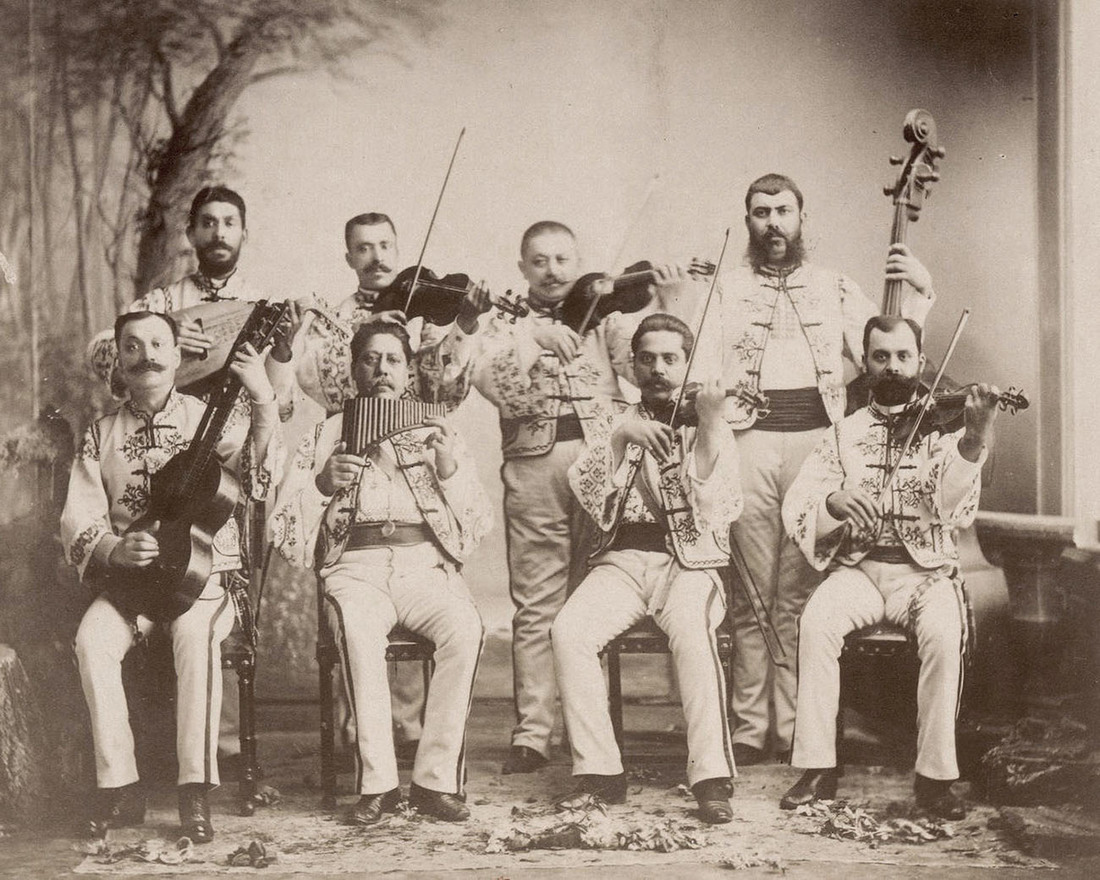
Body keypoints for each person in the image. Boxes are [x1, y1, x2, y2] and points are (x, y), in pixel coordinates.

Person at [697, 173, 936, 765]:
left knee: (801, 586)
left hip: (818, 443)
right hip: (747, 442)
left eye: (783, 211)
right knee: (752, 587)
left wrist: (920, 292)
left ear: (802, 218)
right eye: (760, 213)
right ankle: (751, 726)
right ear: (748, 221)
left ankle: (797, 726)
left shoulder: (834, 288)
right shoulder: (725, 289)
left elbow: (890, 346)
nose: (773, 223)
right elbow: (701, 369)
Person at [471, 220, 691, 774]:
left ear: (578, 262)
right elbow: (493, 386)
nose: (553, 272)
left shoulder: (608, 315)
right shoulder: (502, 322)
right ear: (522, 267)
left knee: (590, 598)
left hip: (604, 463)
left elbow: (647, 377)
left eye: (563, 260)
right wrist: (531, 339)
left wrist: (662, 302)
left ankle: (586, 729)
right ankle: (533, 732)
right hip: (534, 464)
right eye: (539, 261)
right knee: (536, 601)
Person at [85, 185, 289, 773]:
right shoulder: (164, 298)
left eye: (229, 222)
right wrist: (168, 331)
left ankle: (211, 757)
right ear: (192, 234)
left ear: (243, 232)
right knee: (142, 597)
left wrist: (280, 355)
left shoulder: (262, 302)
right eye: (207, 223)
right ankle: (149, 754)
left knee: (203, 594)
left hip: (225, 454)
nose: (218, 232)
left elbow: (284, 397)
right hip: (149, 455)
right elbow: (109, 354)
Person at [61, 311, 284, 842]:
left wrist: (263, 402)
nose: (149, 356)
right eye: (133, 347)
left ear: (178, 355)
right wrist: (115, 548)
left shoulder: (213, 418)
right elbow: (80, 515)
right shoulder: (100, 435)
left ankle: (194, 791)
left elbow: (257, 479)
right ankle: (120, 787)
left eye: (159, 343)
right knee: (91, 640)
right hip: (134, 584)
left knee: (194, 638)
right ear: (119, 359)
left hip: (204, 577)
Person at [778, 315, 1001, 819]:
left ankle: (935, 778)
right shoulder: (845, 433)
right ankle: (817, 768)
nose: (893, 367)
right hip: (859, 571)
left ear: (921, 362)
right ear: (866, 363)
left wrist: (974, 438)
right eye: (881, 357)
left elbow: (953, 507)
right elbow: (799, 502)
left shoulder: (944, 430)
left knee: (945, 633)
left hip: (923, 575)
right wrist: (833, 501)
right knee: (815, 622)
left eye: (903, 356)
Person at [271, 322, 492, 825]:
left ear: (410, 370)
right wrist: (322, 485)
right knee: (357, 631)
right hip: (356, 570)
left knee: (467, 628)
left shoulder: (437, 430)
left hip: (424, 567)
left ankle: (436, 782)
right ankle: (379, 785)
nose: (382, 370)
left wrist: (450, 472)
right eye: (370, 359)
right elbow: (282, 531)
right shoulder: (323, 436)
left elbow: (478, 523)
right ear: (353, 371)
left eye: (393, 360)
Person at [554, 313, 742, 823]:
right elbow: (590, 498)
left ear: (687, 364)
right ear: (633, 365)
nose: (658, 369)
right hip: (622, 563)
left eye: (670, 359)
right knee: (569, 630)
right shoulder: (613, 417)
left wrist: (707, 425)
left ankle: (710, 777)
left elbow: (714, 506)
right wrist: (620, 437)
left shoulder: (713, 418)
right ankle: (600, 773)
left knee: (692, 629)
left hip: (690, 562)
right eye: (647, 359)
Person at [275, 211, 491, 416]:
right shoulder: (330, 321)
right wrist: (363, 334)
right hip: (352, 438)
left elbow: (439, 390)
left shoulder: (424, 314)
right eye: (364, 249)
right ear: (349, 259)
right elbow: (328, 389)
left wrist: (466, 322)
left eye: (385, 246)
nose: (378, 257)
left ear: (397, 251)